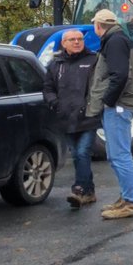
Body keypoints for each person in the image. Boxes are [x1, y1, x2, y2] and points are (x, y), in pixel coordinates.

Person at [86, 9, 133, 219]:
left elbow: (119, 75)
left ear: (99, 25)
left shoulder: (115, 42)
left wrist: (107, 101)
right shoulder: (116, 39)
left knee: (120, 155)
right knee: (115, 155)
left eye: (94, 25)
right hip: (118, 105)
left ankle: (132, 203)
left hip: (118, 106)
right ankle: (126, 197)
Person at [42, 29, 100, 208]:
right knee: (76, 155)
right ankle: (89, 191)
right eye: (72, 39)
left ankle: (79, 189)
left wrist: (92, 106)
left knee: (82, 152)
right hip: (65, 118)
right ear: (64, 43)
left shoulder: (93, 60)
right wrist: (54, 102)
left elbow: (100, 86)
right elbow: (48, 88)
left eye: (80, 39)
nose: (77, 42)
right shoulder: (55, 64)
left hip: (88, 117)